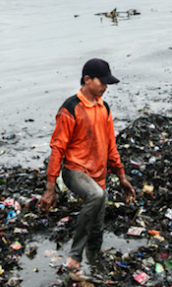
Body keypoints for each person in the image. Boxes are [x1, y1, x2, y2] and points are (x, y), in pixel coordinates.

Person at [38, 58, 136, 275]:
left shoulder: (104, 108)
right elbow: (57, 148)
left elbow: (111, 145)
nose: (105, 86)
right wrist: (50, 187)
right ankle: (74, 256)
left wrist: (122, 176)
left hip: (99, 176)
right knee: (96, 196)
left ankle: (94, 265)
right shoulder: (70, 108)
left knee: (97, 230)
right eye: (102, 82)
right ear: (87, 80)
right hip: (75, 171)